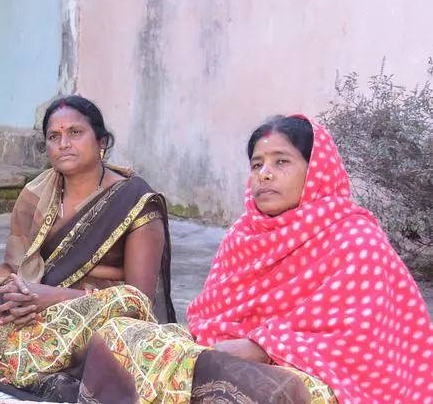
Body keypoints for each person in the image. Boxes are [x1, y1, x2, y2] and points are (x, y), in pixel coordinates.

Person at [78, 115, 433, 403]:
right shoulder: (245, 235)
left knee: (270, 391)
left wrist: (263, 347)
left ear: (315, 171)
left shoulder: (354, 237)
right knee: (118, 334)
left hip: (323, 376)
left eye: (282, 162)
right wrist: (225, 348)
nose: (264, 174)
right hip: (226, 353)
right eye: (257, 164)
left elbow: (361, 340)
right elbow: (208, 317)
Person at [0, 95, 174, 401]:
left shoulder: (135, 202)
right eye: (54, 137)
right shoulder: (35, 194)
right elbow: (12, 267)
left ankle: (35, 364)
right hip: (31, 305)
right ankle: (36, 363)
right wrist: (15, 292)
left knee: (116, 340)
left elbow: (138, 301)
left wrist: (52, 298)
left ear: (101, 142)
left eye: (75, 133)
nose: (64, 143)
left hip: (96, 315)